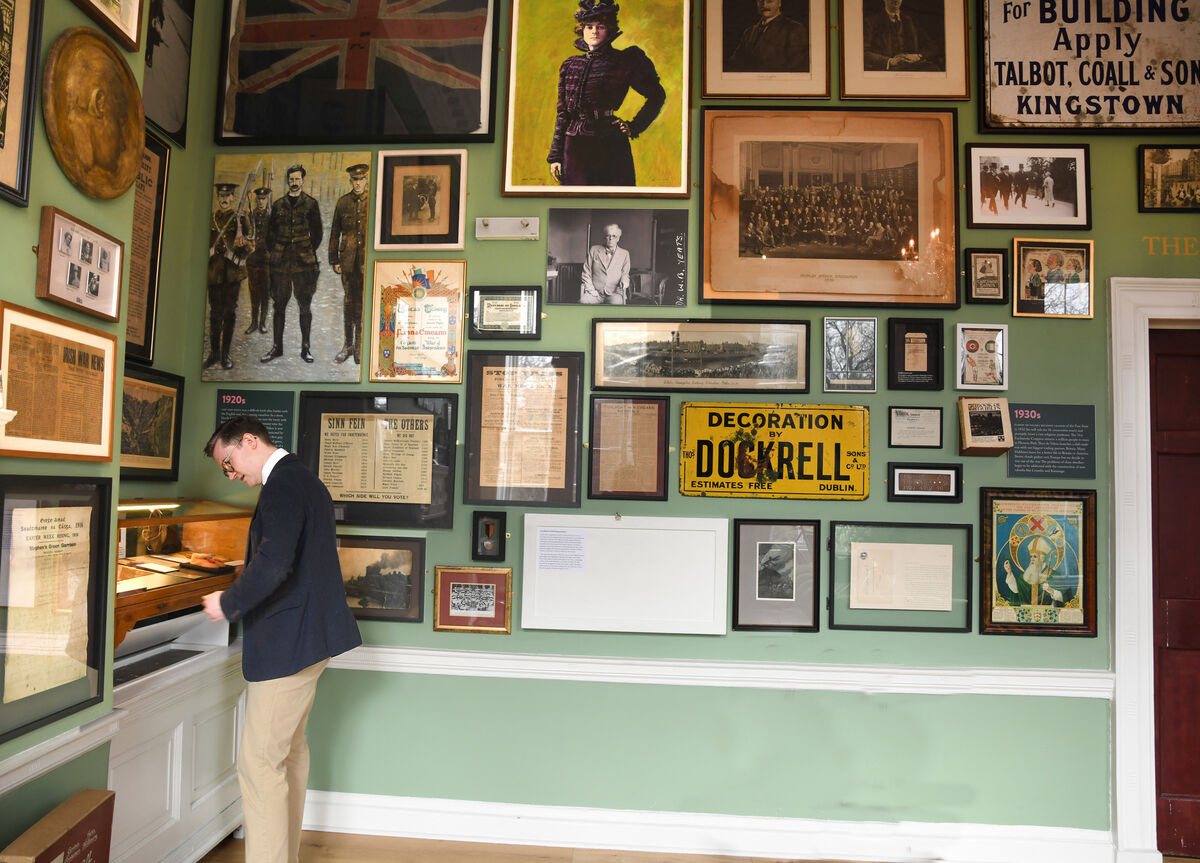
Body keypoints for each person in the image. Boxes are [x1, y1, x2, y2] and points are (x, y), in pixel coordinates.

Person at [202, 416, 362, 863]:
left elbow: (273, 565)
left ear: (250, 441)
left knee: (259, 766)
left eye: (229, 463)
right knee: (289, 756)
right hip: (310, 641)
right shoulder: (302, 479)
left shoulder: (283, 485)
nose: (232, 475)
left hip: (288, 646)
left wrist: (228, 603)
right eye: (225, 470)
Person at [547, 0, 666, 187]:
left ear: (608, 30)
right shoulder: (570, 65)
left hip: (609, 144)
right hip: (574, 149)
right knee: (576, 205)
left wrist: (634, 126)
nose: (594, 31)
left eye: (600, 26)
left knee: (614, 204)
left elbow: (657, 95)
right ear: (582, 30)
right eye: (589, 26)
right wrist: (555, 156)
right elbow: (563, 114)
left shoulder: (624, 61)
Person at [262, 164, 323, 364]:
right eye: (291, 179)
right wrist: (278, 251)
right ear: (287, 181)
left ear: (302, 181)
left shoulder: (311, 204)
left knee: (304, 306)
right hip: (280, 265)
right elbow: (269, 235)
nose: (294, 182)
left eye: (298, 179)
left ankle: (306, 348)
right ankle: (277, 347)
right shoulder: (278, 205)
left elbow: (317, 234)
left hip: (303, 265)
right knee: (279, 306)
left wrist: (304, 250)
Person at [207, 181, 253, 369]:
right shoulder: (212, 218)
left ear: (233, 198)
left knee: (230, 313)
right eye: (221, 196)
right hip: (214, 272)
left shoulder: (241, 218)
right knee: (215, 313)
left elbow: (251, 246)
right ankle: (214, 354)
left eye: (227, 196)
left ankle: (226, 354)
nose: (224, 199)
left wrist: (241, 246)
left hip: (233, 272)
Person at [328, 163, 370, 364]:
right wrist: (333, 259)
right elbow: (335, 232)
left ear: (366, 180)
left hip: (366, 262)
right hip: (347, 261)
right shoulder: (342, 202)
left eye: (361, 179)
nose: (358, 183)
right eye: (355, 179)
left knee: (361, 305)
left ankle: (360, 345)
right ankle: (347, 345)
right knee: (348, 302)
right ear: (350, 180)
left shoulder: (373, 202)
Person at [727, 0, 809, 73]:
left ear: (779, 3)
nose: (764, 5)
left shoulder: (795, 29)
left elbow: (796, 68)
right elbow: (735, 63)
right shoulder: (749, 32)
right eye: (760, 1)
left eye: (769, 1)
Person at [862, 0, 939, 71]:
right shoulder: (870, 22)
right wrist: (890, 61)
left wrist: (918, 56)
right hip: (887, 69)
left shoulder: (910, 21)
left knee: (933, 69)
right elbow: (863, 52)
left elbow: (932, 46)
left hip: (912, 67)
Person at [580, 222, 630, 304]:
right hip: (595, 293)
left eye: (614, 236)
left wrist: (624, 282)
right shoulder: (594, 250)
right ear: (605, 237)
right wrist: (591, 290)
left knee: (615, 304)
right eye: (608, 235)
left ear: (618, 238)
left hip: (614, 294)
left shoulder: (625, 254)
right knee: (583, 301)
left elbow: (625, 274)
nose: (610, 238)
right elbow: (586, 272)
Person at [245, 185, 272, 335]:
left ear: (267, 200)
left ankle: (262, 323)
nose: (261, 201)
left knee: (265, 292)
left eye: (263, 199)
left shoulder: (271, 217)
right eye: (259, 199)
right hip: (253, 260)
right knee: (253, 292)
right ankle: (253, 323)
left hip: (266, 260)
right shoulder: (251, 216)